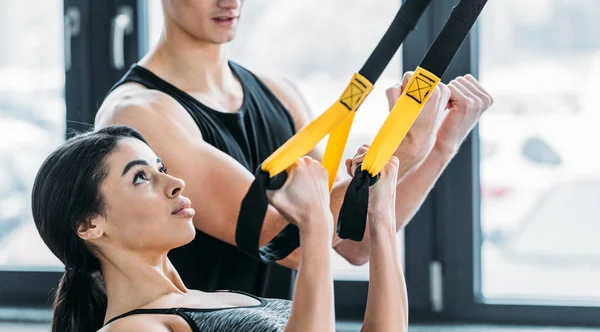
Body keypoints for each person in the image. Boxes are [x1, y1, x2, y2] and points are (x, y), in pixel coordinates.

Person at [95, 0, 493, 298]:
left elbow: (355, 240)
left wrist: (441, 145)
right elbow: (285, 244)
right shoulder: (141, 114)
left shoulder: (280, 95)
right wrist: (404, 149)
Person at [35, 126, 408, 332]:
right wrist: (314, 227)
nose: (175, 182)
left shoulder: (222, 300)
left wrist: (382, 218)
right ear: (89, 225)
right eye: (141, 177)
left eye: (161, 166)